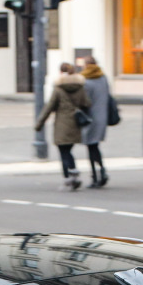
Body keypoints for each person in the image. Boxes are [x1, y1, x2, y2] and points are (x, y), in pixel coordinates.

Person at [35, 63, 91, 191]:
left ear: (61, 72)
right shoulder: (80, 87)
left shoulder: (58, 88)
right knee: (69, 150)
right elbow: (87, 103)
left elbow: (49, 107)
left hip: (62, 123)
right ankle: (74, 174)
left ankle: (68, 177)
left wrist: (39, 124)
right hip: (75, 124)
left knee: (63, 152)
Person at [78, 56, 111, 188]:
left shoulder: (85, 80)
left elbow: (84, 101)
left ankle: (96, 175)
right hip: (102, 116)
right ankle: (101, 172)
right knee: (95, 146)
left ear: (86, 65)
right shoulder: (103, 78)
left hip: (90, 117)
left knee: (91, 146)